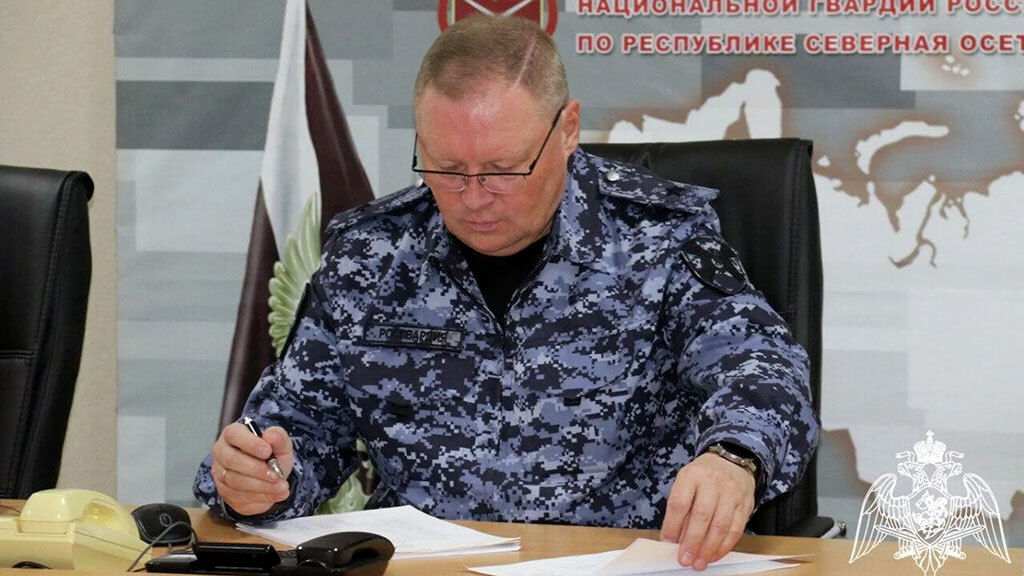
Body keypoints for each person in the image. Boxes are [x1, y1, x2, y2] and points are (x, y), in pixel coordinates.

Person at [194, 15, 819, 572]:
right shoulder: (371, 256)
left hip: (621, 564)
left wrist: (734, 458)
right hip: (426, 569)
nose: (473, 197)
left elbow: (760, 367)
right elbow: (298, 426)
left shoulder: (658, 237)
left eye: (501, 169)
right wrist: (259, 475)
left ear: (567, 129)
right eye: (446, 168)